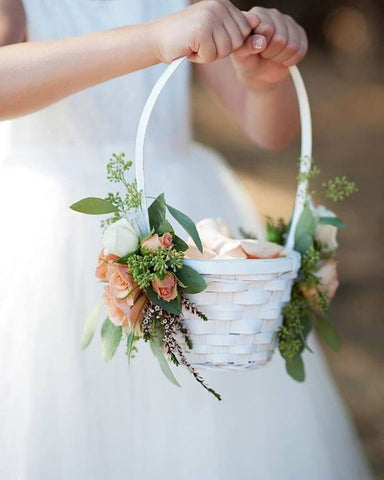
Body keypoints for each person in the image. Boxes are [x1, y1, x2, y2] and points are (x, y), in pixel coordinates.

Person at [0, 1, 373, 479]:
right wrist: (153, 39)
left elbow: (269, 131)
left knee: (195, 415)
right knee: (59, 405)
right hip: (46, 232)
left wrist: (265, 81)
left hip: (177, 221)